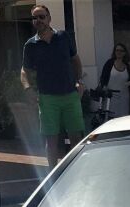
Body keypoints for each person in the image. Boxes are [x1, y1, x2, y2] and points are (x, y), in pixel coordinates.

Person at [21, 4, 85, 167]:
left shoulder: (64, 37)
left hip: (70, 94)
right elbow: (24, 71)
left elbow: (75, 60)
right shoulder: (30, 45)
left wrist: (79, 81)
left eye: (42, 16)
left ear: (49, 18)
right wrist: (28, 88)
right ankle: (52, 175)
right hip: (47, 98)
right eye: (35, 18)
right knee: (51, 141)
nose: (38, 20)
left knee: (76, 137)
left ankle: (76, 169)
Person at [98, 43, 130, 118]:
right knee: (110, 118)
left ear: (125, 53)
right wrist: (104, 87)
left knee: (124, 118)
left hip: (124, 98)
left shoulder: (127, 66)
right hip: (111, 98)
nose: (118, 52)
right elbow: (103, 77)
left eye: (121, 50)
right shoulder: (109, 63)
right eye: (117, 50)